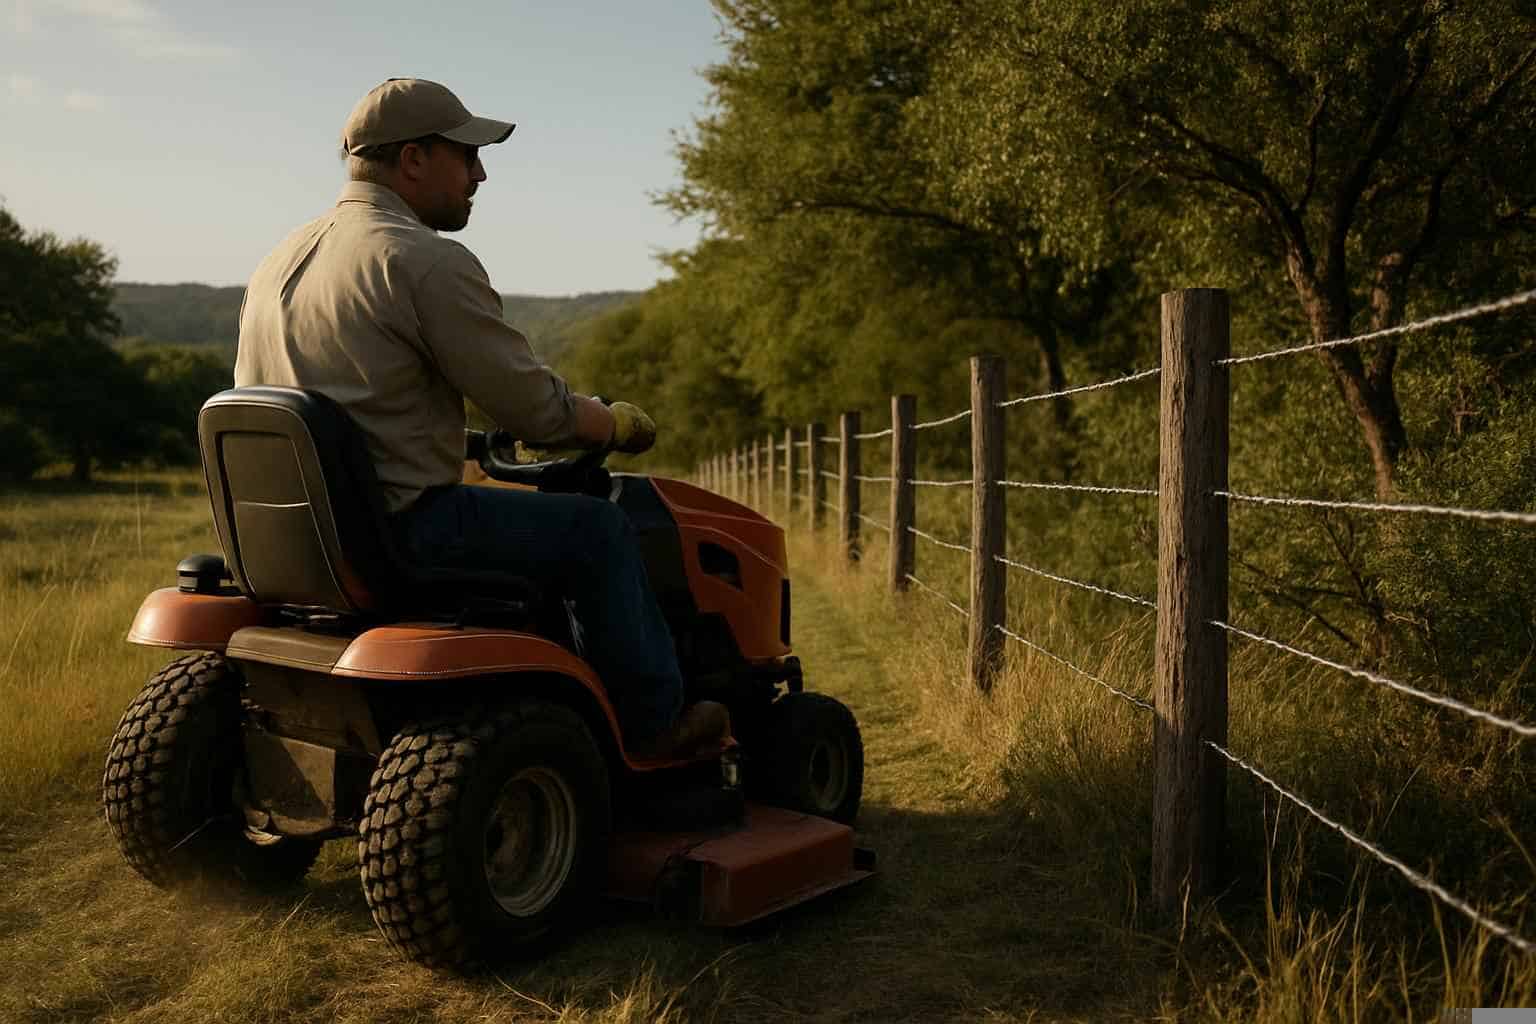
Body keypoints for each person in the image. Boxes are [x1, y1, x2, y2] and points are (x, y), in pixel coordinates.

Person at [233, 77, 724, 757]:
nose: (480, 174)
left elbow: (345, 410)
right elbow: (537, 410)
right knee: (601, 530)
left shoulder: (278, 260)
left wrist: (452, 437)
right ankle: (655, 725)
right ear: (413, 158)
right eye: (466, 155)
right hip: (401, 532)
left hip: (294, 542)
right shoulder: (420, 260)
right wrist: (612, 424)